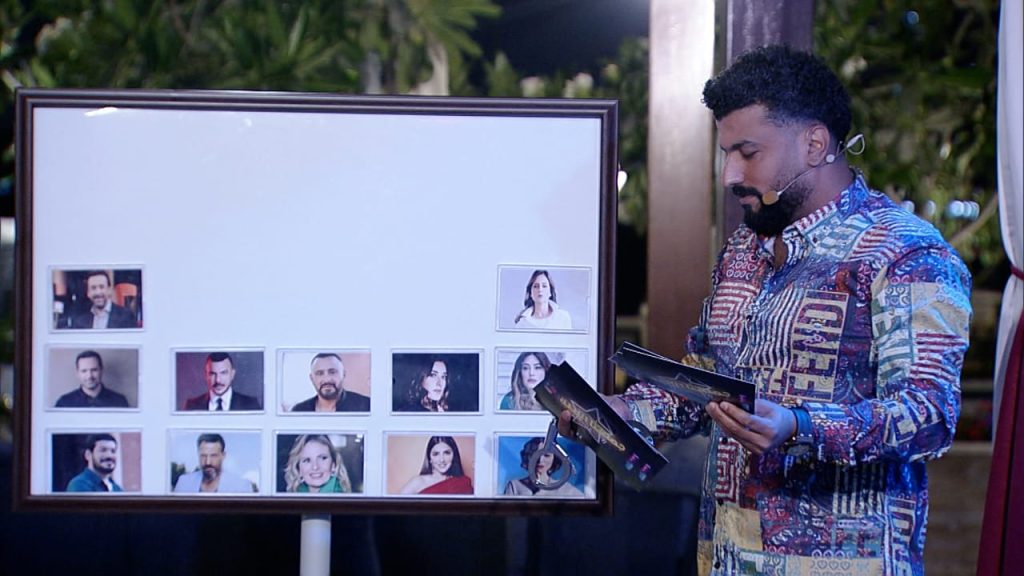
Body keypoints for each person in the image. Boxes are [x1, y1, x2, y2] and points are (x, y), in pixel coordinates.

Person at [559, 45, 971, 576]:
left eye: (748, 152)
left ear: (814, 144)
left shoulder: (906, 252)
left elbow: (930, 415)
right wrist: (622, 412)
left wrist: (800, 426)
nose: (730, 174)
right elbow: (705, 383)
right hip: (725, 558)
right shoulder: (742, 251)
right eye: (726, 153)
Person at [173, 433, 256, 493]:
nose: (208, 462)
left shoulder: (241, 486)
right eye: (203, 456)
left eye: (213, 456)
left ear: (223, 456)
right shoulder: (184, 483)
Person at [503, 437, 582, 498]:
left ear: (554, 459)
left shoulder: (566, 489)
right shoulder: (514, 486)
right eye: (535, 454)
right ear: (528, 456)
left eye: (546, 455)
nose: (540, 460)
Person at [290, 353, 370, 412]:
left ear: (343, 374)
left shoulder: (366, 405)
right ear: (312, 378)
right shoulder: (299, 410)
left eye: (332, 372)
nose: (327, 379)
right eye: (320, 373)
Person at [183, 352, 261, 411]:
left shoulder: (251, 405)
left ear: (232, 374)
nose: (218, 380)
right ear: (206, 375)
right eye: (212, 374)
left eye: (223, 373)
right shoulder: (191, 406)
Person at [399, 436, 473, 495]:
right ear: (430, 458)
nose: (442, 460)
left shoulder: (464, 482)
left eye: (446, 453)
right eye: (436, 454)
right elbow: (397, 505)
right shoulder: (418, 482)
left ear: (454, 455)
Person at [55, 350, 130, 408]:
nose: (89, 376)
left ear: (101, 370)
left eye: (94, 370)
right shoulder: (64, 403)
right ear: (78, 373)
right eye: (84, 371)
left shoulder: (119, 401)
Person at [282, 434, 352, 493]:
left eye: (323, 458)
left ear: (333, 465)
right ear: (298, 469)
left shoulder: (341, 499)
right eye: (307, 460)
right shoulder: (294, 496)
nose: (315, 467)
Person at [68, 271, 137, 329]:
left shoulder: (126, 316)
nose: (98, 292)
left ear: (109, 290)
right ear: (88, 293)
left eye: (102, 287)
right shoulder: (80, 321)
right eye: (93, 288)